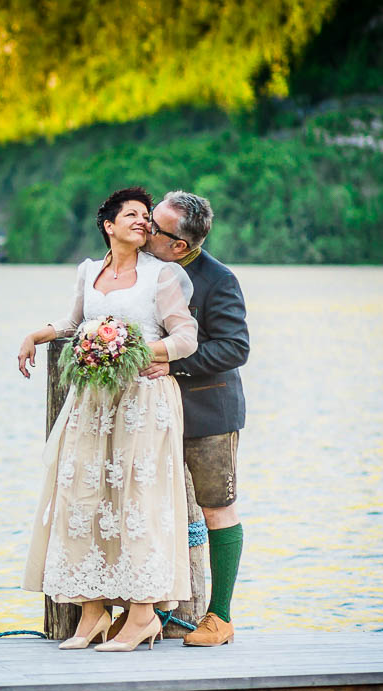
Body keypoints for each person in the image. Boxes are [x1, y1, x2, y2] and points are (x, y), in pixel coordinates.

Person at [17, 187, 199, 652]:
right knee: (84, 501)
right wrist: (37, 335)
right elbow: (75, 324)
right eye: (133, 215)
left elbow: (185, 338)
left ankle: (142, 617)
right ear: (109, 225)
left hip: (144, 402)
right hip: (93, 404)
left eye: (146, 217)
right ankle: (91, 614)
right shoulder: (88, 271)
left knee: (139, 505)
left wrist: (132, 348)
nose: (143, 222)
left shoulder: (163, 276)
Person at [140, 190, 249, 646]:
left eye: (154, 227)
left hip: (208, 412)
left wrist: (173, 363)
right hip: (151, 412)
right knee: (151, 509)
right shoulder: (140, 271)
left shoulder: (218, 279)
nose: (145, 230)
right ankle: (157, 610)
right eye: (146, 220)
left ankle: (219, 617)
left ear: (180, 245)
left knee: (216, 509)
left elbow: (235, 346)